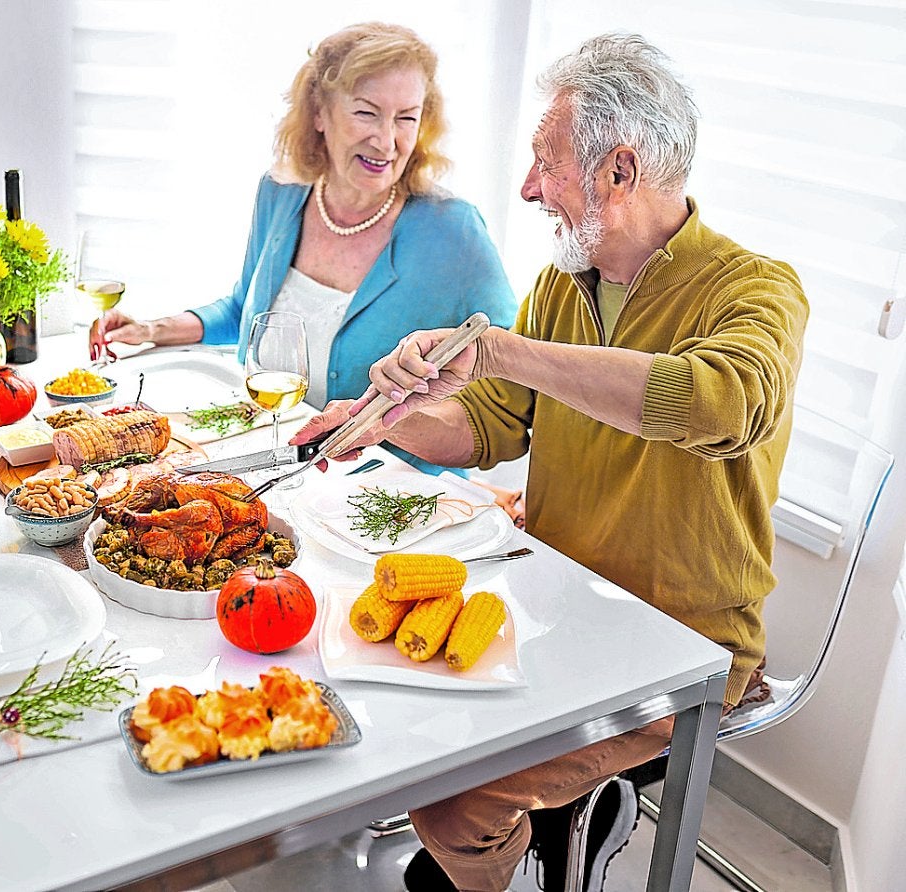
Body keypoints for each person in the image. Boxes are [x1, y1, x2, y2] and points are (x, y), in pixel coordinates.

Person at [293, 33, 809, 892]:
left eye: (547, 165)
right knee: (379, 705)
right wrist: (378, 422)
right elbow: (493, 424)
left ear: (618, 168)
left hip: (682, 642)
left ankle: (504, 856)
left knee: (452, 805)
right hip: (556, 597)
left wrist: (501, 351)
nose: (530, 188)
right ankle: (558, 819)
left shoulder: (755, 289)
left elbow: (716, 403)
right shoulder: (564, 285)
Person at [99, 22, 516, 470]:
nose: (386, 139)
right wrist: (151, 330)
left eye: (406, 117)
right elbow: (246, 311)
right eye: (366, 112)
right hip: (270, 451)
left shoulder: (453, 229)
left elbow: (505, 372)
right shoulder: (281, 191)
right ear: (320, 113)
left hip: (388, 489)